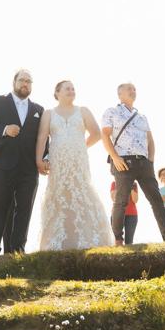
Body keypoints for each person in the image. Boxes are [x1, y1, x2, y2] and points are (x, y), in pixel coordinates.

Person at [35, 80, 113, 250]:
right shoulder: (48, 113)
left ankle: (88, 238)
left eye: (73, 88)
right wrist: (39, 160)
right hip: (58, 161)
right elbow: (42, 137)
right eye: (67, 88)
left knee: (81, 190)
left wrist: (80, 146)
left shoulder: (83, 111)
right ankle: (59, 240)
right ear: (57, 93)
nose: (71, 91)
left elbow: (96, 134)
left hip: (78, 160)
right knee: (59, 193)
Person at [101, 83, 165, 246]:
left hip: (144, 164)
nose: (133, 91)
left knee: (156, 199)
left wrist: (151, 161)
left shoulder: (142, 117)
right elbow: (105, 135)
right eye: (129, 89)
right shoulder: (111, 112)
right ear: (120, 94)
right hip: (123, 162)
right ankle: (118, 239)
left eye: (134, 89)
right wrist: (115, 157)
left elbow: (150, 140)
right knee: (121, 201)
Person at [0, 69, 45, 255]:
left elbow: (43, 138)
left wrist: (45, 158)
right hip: (2, 164)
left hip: (29, 168)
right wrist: (3, 129)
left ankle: (17, 251)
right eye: (22, 80)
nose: (25, 83)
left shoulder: (38, 110)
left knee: (24, 209)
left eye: (29, 81)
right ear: (14, 82)